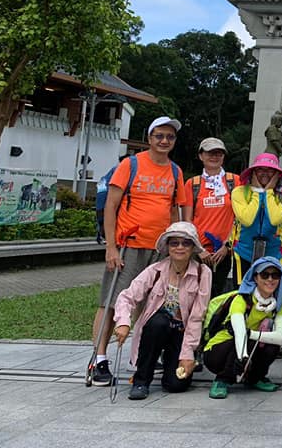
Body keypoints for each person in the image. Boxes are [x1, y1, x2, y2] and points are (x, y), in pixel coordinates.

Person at [88, 116, 187, 387]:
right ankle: (98, 359)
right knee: (111, 304)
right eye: (159, 136)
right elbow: (111, 206)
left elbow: (174, 209)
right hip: (128, 246)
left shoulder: (175, 171)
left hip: (159, 249)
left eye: (170, 137)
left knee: (151, 305)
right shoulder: (130, 165)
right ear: (149, 138)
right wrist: (110, 247)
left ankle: (141, 356)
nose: (164, 141)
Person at [112, 221, 211, 400]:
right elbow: (126, 297)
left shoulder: (203, 273)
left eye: (186, 243)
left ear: (193, 247)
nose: (180, 247)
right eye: (174, 243)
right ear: (167, 246)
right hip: (157, 330)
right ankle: (141, 380)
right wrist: (123, 322)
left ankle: (170, 363)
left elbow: (197, 316)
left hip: (182, 332)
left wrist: (188, 354)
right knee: (158, 322)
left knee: (176, 385)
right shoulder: (155, 270)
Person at [203, 256, 282, 398]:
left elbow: (280, 338)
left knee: (272, 346)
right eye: (264, 274)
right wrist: (243, 357)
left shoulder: (281, 299)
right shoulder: (242, 298)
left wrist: (251, 334)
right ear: (255, 277)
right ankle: (222, 379)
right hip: (219, 350)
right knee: (246, 340)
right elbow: (239, 331)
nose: (270, 279)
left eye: (275, 275)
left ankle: (255, 378)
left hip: (250, 341)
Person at [186, 137, 240, 297]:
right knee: (194, 294)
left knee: (218, 295)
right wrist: (199, 249)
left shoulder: (234, 181)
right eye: (210, 152)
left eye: (219, 153)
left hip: (224, 252)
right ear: (201, 156)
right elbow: (187, 221)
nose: (214, 156)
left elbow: (241, 218)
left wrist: (227, 245)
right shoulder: (193, 184)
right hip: (199, 252)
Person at [230, 153, 282, 283]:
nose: (265, 173)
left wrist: (269, 191)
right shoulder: (239, 192)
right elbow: (247, 220)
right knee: (243, 296)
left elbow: (275, 219)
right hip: (245, 252)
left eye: (270, 170)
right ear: (253, 172)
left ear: (277, 174)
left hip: (274, 253)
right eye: (260, 169)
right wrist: (257, 192)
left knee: (270, 296)